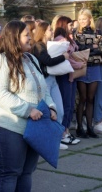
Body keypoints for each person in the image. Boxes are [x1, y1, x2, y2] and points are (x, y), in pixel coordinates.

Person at [0, 20, 57, 192]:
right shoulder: (1, 61)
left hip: (34, 128)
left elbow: (43, 88)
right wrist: (28, 110)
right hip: (9, 128)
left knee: (26, 172)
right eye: (26, 35)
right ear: (14, 37)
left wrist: (51, 106)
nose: (30, 38)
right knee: (10, 173)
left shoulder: (31, 58)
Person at [31, 21, 68, 149]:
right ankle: (50, 141)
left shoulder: (49, 45)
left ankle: (56, 140)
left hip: (52, 80)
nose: (52, 32)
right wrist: (63, 57)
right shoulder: (38, 46)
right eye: (49, 30)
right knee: (47, 112)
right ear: (43, 32)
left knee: (59, 110)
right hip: (45, 81)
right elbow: (47, 61)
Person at [73, 8, 102, 138]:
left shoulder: (98, 32)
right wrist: (93, 48)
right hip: (82, 67)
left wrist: (87, 49)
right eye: (80, 19)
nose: (81, 21)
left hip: (95, 67)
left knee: (91, 99)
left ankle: (90, 127)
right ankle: (80, 127)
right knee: (82, 98)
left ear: (89, 19)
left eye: (84, 19)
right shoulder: (76, 33)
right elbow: (77, 50)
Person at [54, 16, 83, 145]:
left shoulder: (69, 38)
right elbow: (66, 58)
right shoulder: (59, 40)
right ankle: (62, 132)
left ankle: (66, 130)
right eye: (70, 25)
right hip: (65, 75)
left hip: (72, 75)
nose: (72, 27)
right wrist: (78, 65)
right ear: (63, 25)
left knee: (71, 104)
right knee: (66, 104)